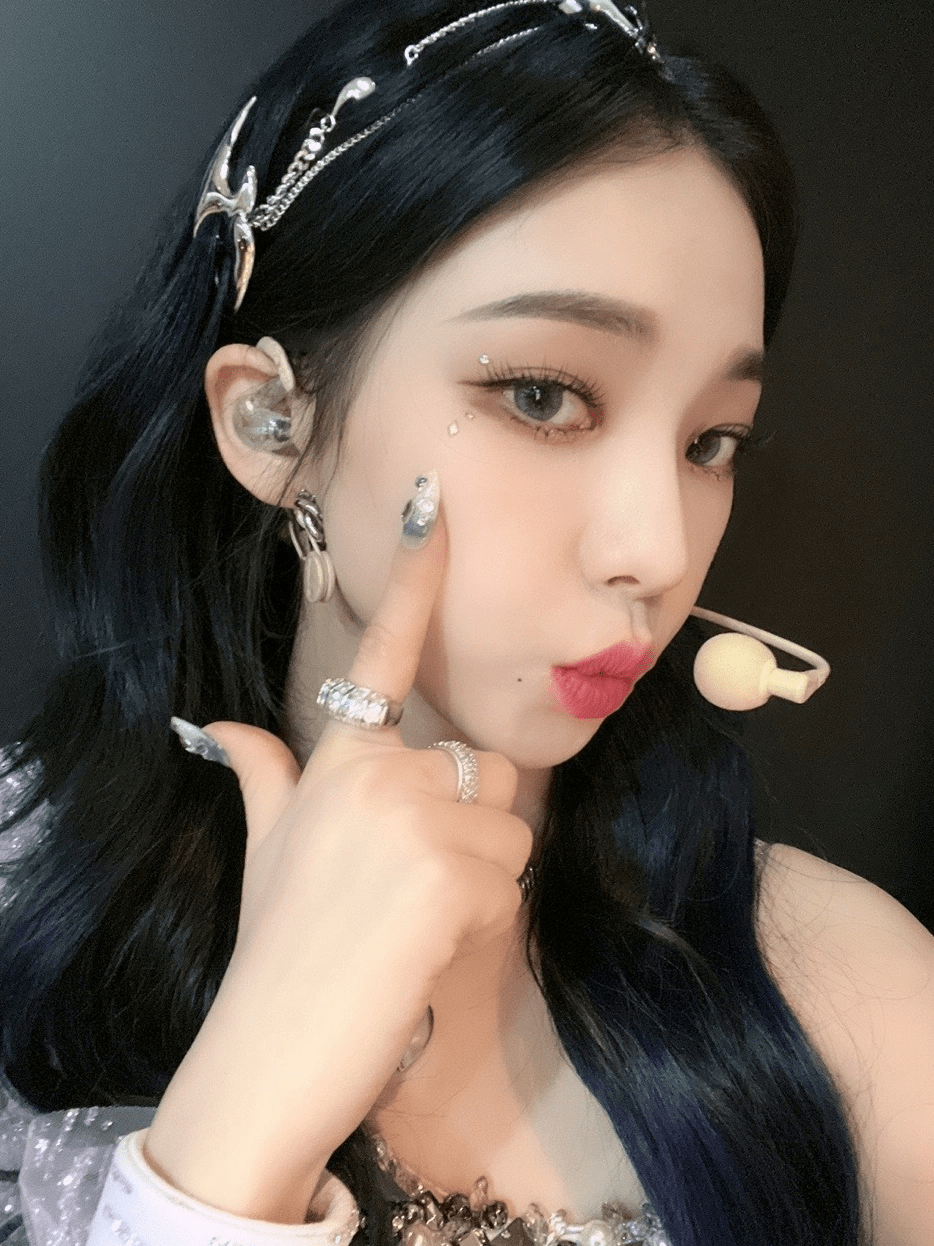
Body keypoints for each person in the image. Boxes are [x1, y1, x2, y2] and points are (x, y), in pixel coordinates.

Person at [1, 1, 932, 1243]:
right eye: (542, 395)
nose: (657, 550)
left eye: (711, 441)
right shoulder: (24, 896)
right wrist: (233, 1134)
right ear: (273, 422)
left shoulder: (847, 997)